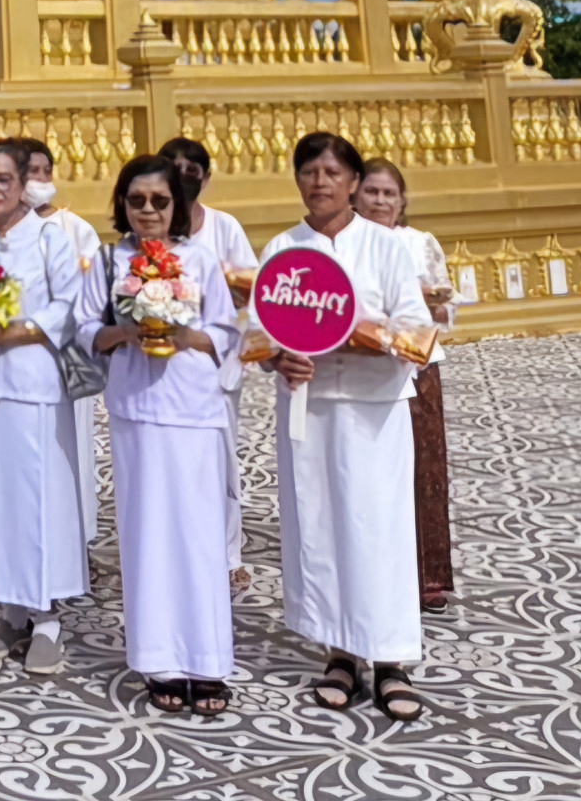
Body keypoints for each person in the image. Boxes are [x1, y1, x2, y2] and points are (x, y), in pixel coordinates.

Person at [259, 132, 433, 722]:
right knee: (322, 527)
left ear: (354, 183)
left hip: (373, 411)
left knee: (378, 530)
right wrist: (279, 357)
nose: (320, 182)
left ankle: (390, 660)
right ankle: (338, 652)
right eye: (309, 171)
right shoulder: (284, 247)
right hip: (311, 409)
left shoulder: (386, 248)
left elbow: (416, 330)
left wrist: (364, 339)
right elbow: (258, 331)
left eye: (333, 172)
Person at [86, 154, 242, 716]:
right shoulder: (109, 262)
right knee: (148, 534)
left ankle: (208, 661)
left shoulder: (200, 259)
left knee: (199, 536)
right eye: (136, 201)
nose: (148, 211)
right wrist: (127, 330)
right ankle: (159, 661)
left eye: (159, 201)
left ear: (177, 204)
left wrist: (185, 335)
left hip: (194, 408)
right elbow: (86, 331)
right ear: (122, 205)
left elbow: (226, 330)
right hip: (137, 410)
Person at [0, 141, 87, 674]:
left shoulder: (49, 237)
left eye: (2, 179)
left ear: (21, 184)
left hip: (33, 384)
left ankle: (47, 616)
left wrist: (18, 331)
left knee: (38, 499)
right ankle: (9, 610)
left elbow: (68, 306)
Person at [353, 158, 457, 613]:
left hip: (417, 369)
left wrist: (432, 305)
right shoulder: (346, 247)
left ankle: (428, 575)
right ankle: (375, 575)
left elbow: (446, 310)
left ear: (402, 201)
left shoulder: (419, 244)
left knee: (423, 472)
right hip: (362, 370)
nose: (379, 201)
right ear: (355, 195)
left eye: (388, 194)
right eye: (371, 192)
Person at [159, 137, 261, 592]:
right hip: (160, 367)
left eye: (192, 168)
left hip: (215, 364)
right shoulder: (150, 227)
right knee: (166, 465)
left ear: (205, 176)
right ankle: (171, 549)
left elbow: (251, 291)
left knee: (219, 462)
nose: (183, 175)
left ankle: (227, 554)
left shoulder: (224, 227)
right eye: (173, 167)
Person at [15, 137, 104, 546]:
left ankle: (78, 540)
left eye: (45, 172)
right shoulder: (4, 231)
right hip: (16, 354)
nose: (39, 180)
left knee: (73, 447)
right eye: (31, 172)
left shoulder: (75, 228)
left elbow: (95, 291)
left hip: (67, 356)